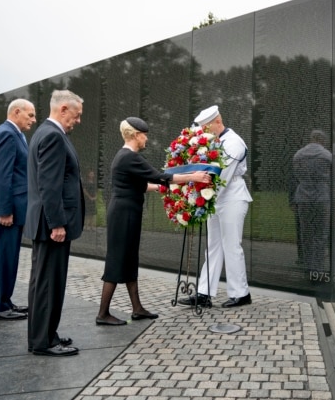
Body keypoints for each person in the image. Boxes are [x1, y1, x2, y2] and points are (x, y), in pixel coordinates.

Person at [96, 117, 211, 325]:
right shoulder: (130, 157)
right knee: (117, 259)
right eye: (144, 135)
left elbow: (141, 185)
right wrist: (193, 177)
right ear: (136, 135)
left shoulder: (124, 157)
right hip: (124, 214)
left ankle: (137, 308)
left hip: (125, 212)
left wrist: (161, 188)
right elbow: (160, 176)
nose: (146, 139)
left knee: (129, 258)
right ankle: (103, 313)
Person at [24, 90, 84, 357]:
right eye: (77, 114)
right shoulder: (52, 136)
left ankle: (46, 334)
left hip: (47, 223)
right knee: (48, 284)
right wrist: (57, 224)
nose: (78, 120)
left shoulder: (45, 133)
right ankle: (43, 342)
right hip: (52, 225)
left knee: (45, 282)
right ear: (63, 109)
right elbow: (50, 185)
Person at [179, 105, 254, 308]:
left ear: (218, 122)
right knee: (213, 247)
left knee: (231, 245)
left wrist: (200, 199)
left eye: (206, 128)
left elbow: (223, 177)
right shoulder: (214, 141)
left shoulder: (234, 143)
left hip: (231, 198)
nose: (203, 132)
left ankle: (240, 293)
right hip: (214, 198)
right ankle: (204, 293)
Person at [0, 99, 36, 321]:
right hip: (6, 212)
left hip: (12, 210)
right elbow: (1, 177)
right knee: (2, 259)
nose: (33, 120)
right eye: (30, 115)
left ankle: (5, 301)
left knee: (9, 258)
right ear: (17, 112)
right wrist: (5, 211)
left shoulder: (13, 134)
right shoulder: (7, 134)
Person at [289, 130, 332, 275]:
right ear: (322, 140)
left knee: (306, 233)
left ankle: (308, 264)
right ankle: (317, 266)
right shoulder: (327, 156)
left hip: (303, 196)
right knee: (321, 233)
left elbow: (296, 176)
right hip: (322, 196)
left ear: (311, 138)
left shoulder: (298, 155)